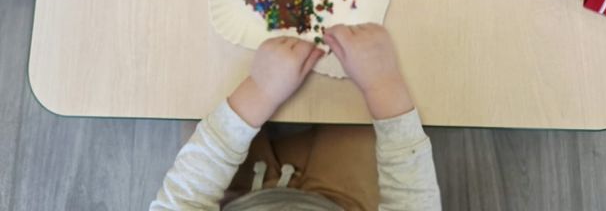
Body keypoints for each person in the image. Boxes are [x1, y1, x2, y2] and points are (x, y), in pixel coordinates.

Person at [150, 24, 441, 209]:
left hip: (237, 194)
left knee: (198, 99)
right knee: (358, 112)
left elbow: (184, 196)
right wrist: (383, 82)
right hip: (343, 199)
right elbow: (413, 199)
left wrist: (260, 89)